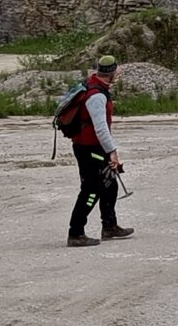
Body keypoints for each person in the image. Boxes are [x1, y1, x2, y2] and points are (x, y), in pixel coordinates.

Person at [56, 58, 133, 248]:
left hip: (92, 146)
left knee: (110, 183)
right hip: (88, 147)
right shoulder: (97, 96)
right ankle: (75, 233)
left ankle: (110, 226)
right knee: (91, 190)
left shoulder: (93, 84)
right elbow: (101, 128)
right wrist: (112, 152)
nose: (119, 73)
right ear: (111, 73)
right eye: (117, 71)